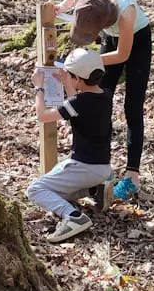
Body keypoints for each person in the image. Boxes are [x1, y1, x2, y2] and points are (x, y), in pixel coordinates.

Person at [54, 0, 151, 201]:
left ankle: (132, 176)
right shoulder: (88, 1)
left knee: (132, 106)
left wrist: (88, 60)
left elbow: (122, 55)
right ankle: (94, 162)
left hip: (136, 43)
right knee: (99, 94)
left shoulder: (126, 13)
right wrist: (64, 5)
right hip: (111, 38)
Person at [26, 48, 116, 243]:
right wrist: (69, 83)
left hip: (83, 166)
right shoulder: (106, 95)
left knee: (36, 190)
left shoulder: (79, 102)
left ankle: (73, 217)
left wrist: (39, 87)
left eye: (71, 75)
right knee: (56, 189)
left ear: (79, 79)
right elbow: (79, 107)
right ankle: (95, 190)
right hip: (102, 167)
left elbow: (42, 115)